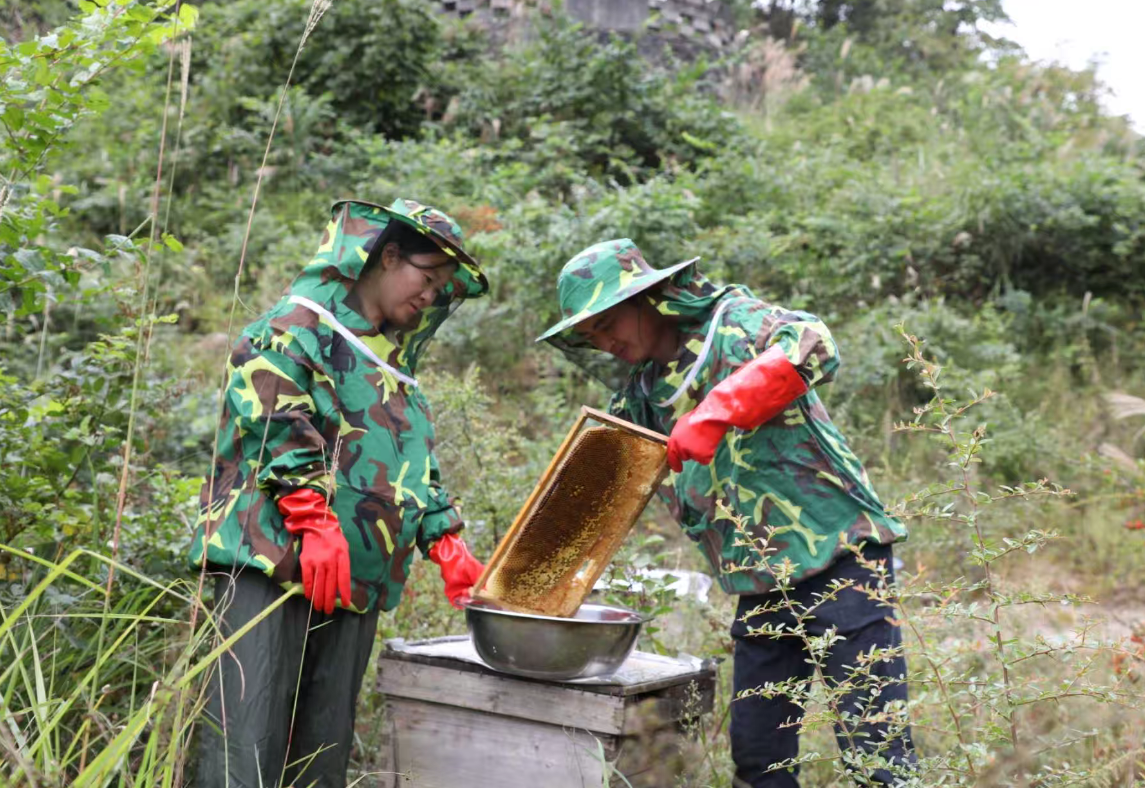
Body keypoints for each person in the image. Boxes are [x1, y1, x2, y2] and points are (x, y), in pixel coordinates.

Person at [537, 239, 916, 787]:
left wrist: (718, 410)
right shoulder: (642, 398)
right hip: (761, 584)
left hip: (842, 561)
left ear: (648, 299)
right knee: (759, 762)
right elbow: (594, 499)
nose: (605, 340)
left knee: (877, 750)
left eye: (608, 321)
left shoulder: (734, 324)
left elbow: (814, 343)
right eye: (590, 334)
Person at [189, 199, 487, 788]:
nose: (431, 296)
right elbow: (273, 420)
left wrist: (445, 541)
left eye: (441, 288)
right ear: (387, 254)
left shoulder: (394, 369)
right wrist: (311, 517)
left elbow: (410, 467)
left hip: (351, 584)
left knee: (317, 762)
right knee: (244, 752)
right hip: (269, 568)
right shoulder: (295, 327)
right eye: (426, 279)